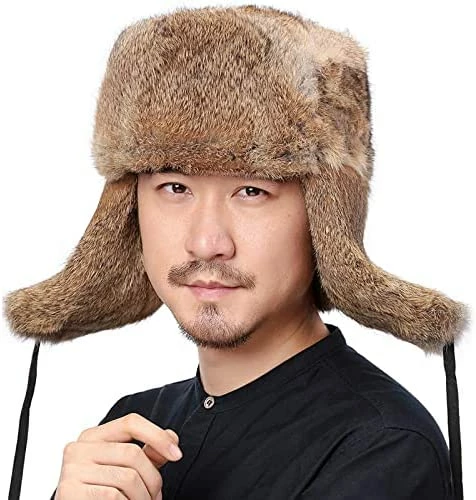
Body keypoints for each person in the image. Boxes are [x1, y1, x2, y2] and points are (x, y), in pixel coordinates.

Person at [4, 5, 469, 500]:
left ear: (325, 218)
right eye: (175, 187)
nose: (207, 243)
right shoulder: (129, 433)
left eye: (252, 191)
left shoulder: (382, 446)